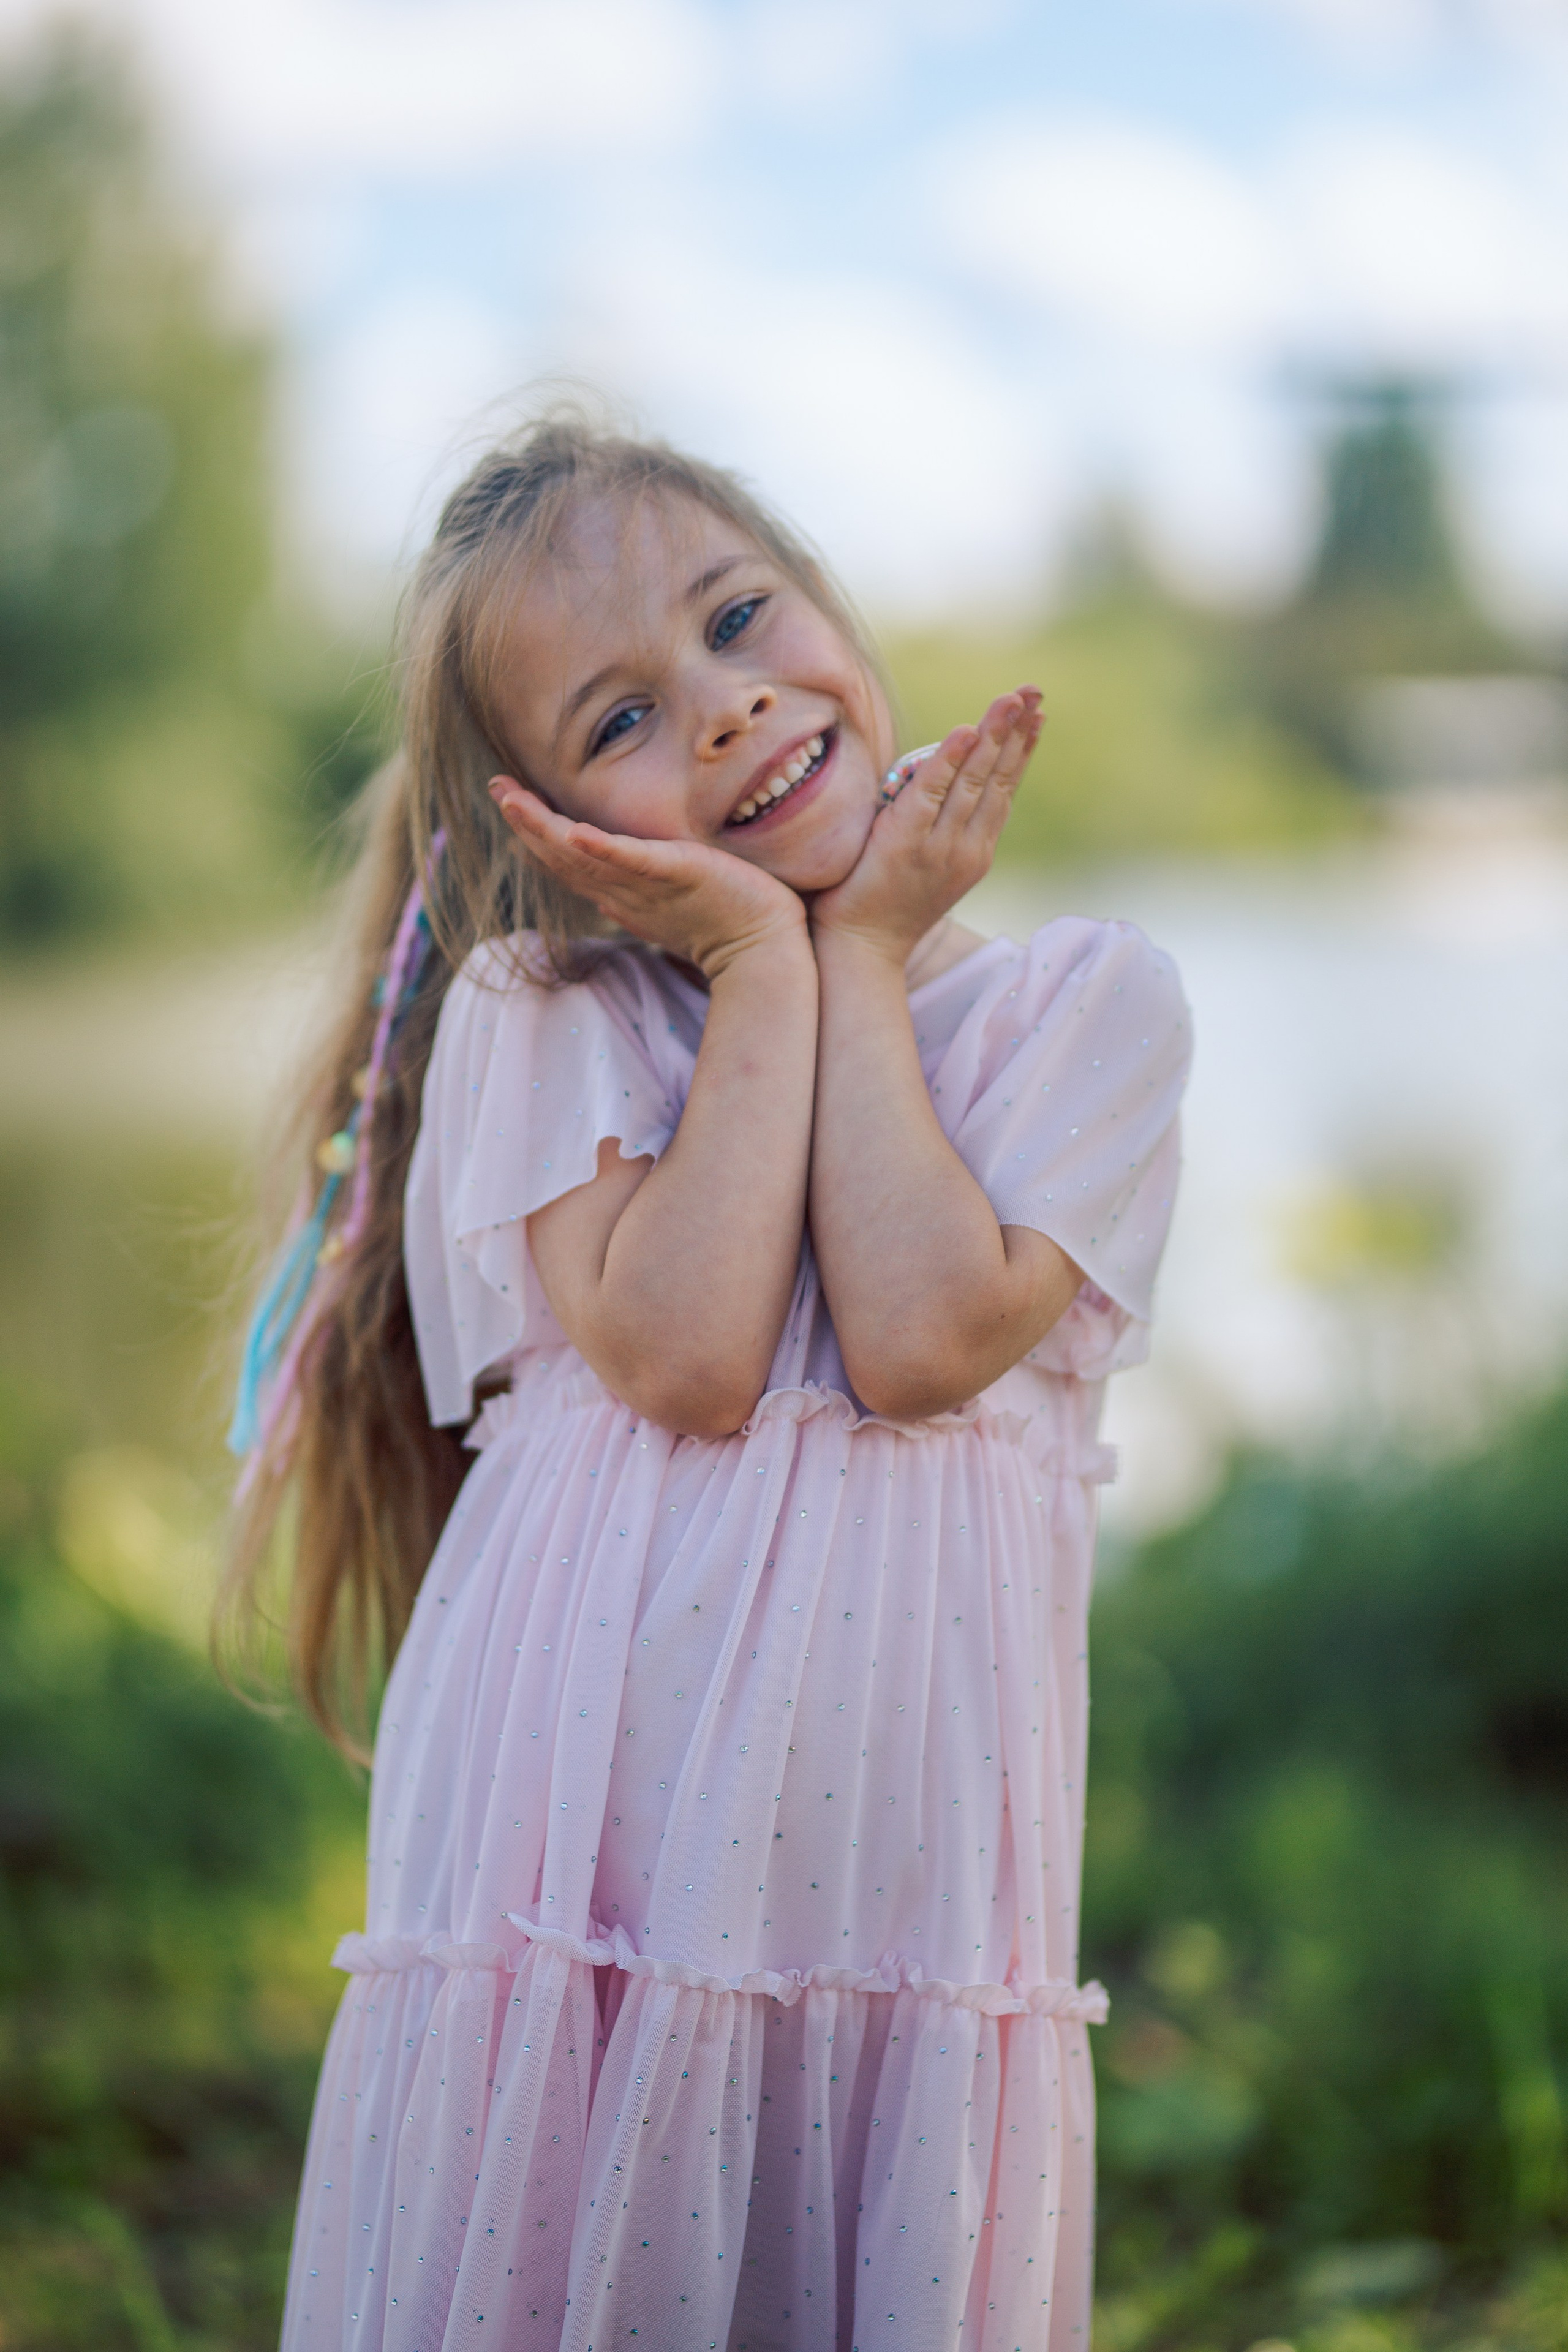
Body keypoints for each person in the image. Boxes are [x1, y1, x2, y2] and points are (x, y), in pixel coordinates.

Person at [228, 411, 1191, 2352]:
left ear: (832, 601)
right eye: (621, 721)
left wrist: (870, 953)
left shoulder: (1084, 1012)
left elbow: (920, 1339)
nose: (734, 709)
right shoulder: (555, 1019)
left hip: (897, 1903)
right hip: (589, 1879)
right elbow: (684, 1355)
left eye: (743, 618)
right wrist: (766, 963)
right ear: (547, 828)